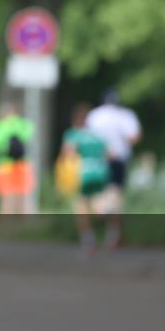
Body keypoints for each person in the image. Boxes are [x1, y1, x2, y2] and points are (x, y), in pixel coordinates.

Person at [86, 89, 141, 249]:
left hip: (97, 160)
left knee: (99, 193)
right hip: (118, 159)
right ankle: (113, 235)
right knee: (116, 194)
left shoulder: (94, 115)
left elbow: (88, 137)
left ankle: (103, 212)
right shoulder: (125, 115)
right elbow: (134, 137)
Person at [60, 103, 111, 252]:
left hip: (83, 174)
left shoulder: (73, 134)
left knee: (81, 206)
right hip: (100, 172)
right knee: (98, 204)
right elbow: (109, 155)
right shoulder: (97, 135)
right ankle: (108, 220)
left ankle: (88, 239)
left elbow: (67, 153)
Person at [0, 102, 34, 214]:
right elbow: (29, 133)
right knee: (23, 193)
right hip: (21, 162)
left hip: (5, 163)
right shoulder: (20, 123)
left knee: (7, 194)